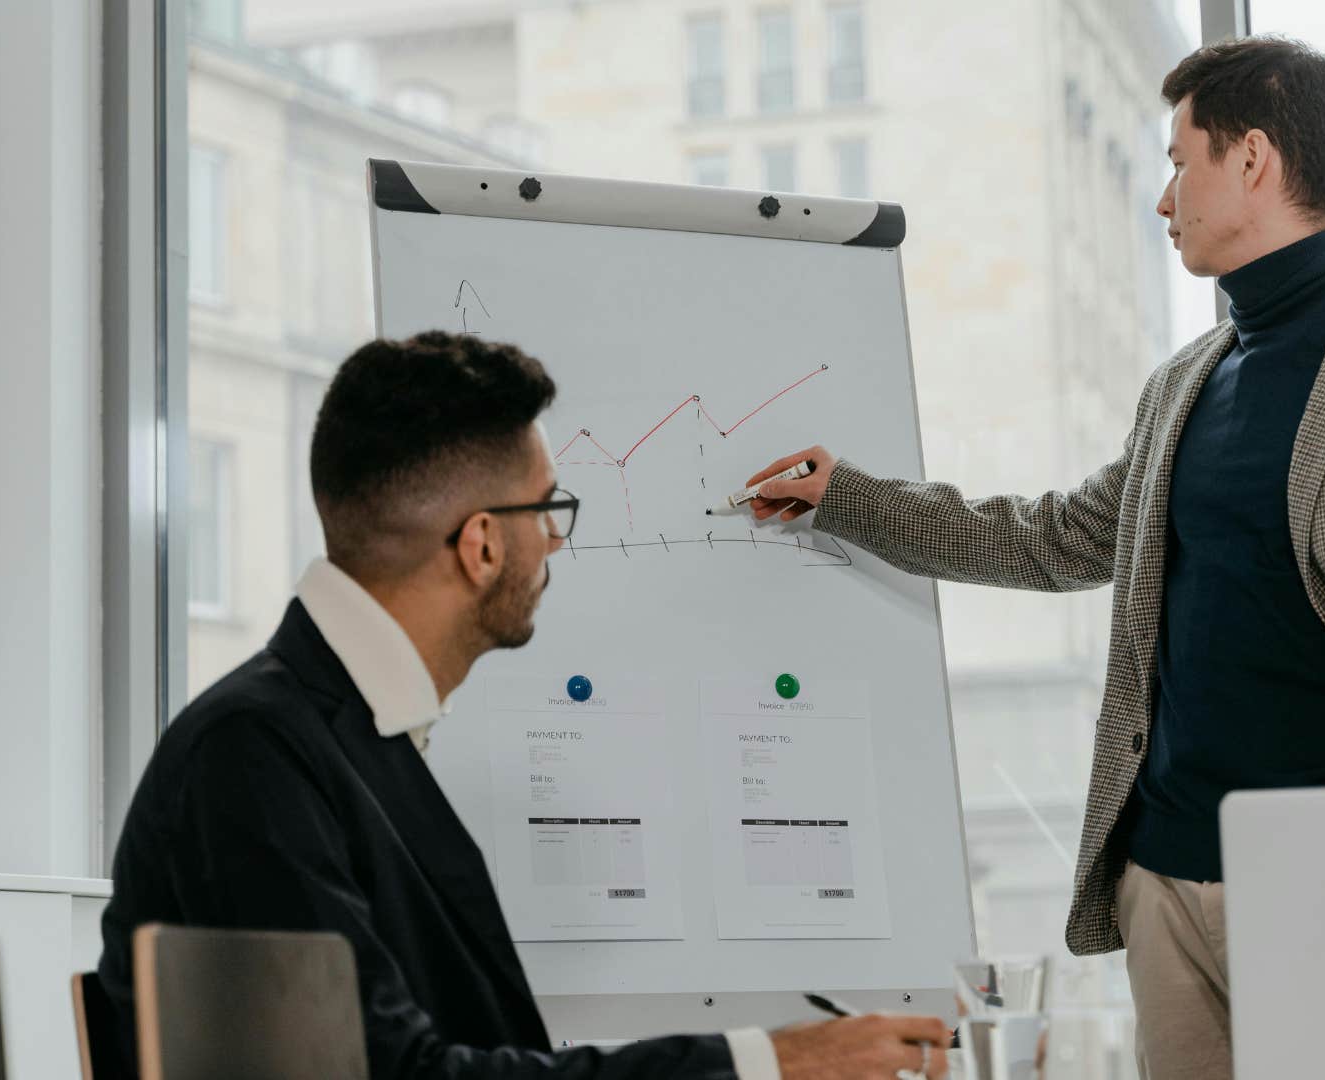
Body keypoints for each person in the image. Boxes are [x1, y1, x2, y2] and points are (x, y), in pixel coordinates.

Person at [742, 35, 1325, 1080]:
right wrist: (847, 498)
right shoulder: (1186, 380)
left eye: (1182, 162)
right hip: (1164, 883)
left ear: (1253, 159)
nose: (1162, 197)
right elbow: (1051, 537)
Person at [96, 332, 949, 1079]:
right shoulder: (254, 754)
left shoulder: (339, 733)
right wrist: (770, 1065)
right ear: (482, 544)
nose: (556, 538)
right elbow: (394, 1077)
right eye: (549, 509)